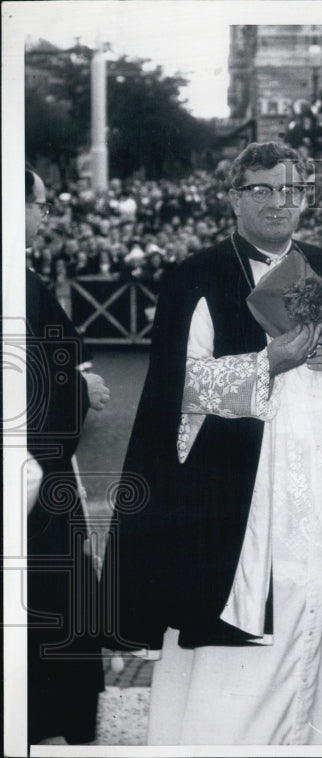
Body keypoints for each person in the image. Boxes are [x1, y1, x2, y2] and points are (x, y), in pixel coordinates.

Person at [99, 142, 322, 745]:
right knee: (248, 630)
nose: (278, 203)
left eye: (291, 191)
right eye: (262, 189)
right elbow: (176, 388)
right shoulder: (198, 275)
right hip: (241, 498)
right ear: (235, 197)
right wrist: (266, 363)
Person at [25, 168, 110, 744]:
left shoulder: (23, 277)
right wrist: (83, 391)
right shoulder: (16, 281)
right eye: (40, 203)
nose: (46, 214)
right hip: (33, 483)